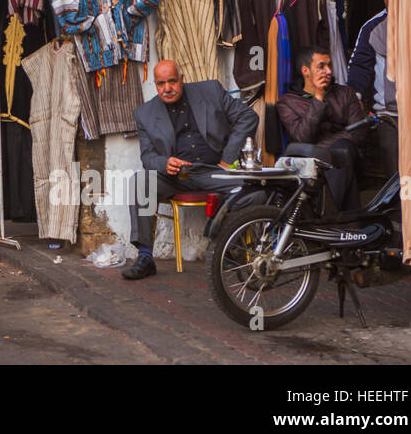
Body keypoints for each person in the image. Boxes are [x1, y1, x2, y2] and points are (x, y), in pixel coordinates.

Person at [123, 60, 257, 280]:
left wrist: (227, 158)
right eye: (161, 83)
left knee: (254, 189)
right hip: (175, 177)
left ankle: (227, 243)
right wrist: (164, 163)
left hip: (214, 171)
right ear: (155, 85)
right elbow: (147, 156)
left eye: (172, 81)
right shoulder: (145, 114)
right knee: (140, 182)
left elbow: (248, 116)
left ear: (182, 79)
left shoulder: (210, 90)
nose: (167, 88)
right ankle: (145, 256)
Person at [277, 45, 367, 214]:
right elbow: (302, 138)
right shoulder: (288, 102)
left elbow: (359, 133)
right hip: (309, 164)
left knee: (343, 149)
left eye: (329, 66)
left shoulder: (345, 93)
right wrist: (318, 98)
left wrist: (321, 149)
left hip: (344, 159)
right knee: (342, 155)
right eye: (321, 66)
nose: (327, 71)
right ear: (306, 71)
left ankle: (328, 215)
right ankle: (346, 223)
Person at [346, 0, 399, 179]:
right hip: (388, 115)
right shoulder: (372, 27)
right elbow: (360, 66)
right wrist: (355, 98)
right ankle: (399, 211)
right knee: (395, 176)